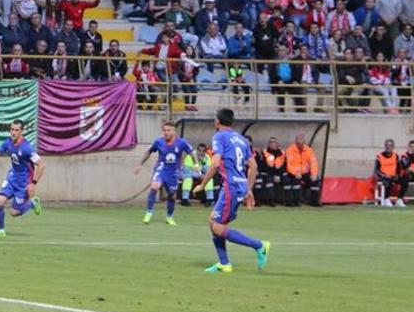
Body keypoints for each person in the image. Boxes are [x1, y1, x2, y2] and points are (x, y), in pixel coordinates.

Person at [191, 108, 269, 273]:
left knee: (217, 227)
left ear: (217, 121)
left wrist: (202, 184)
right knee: (213, 221)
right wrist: (249, 189)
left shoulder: (219, 137)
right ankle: (224, 263)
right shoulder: (241, 140)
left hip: (230, 188)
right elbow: (253, 166)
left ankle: (259, 245)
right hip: (239, 186)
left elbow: (215, 164)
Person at [0, 120, 44, 237]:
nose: (13, 132)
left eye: (16, 130)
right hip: (12, 178)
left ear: (21, 131)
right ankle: (1, 230)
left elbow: (41, 164)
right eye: (12, 129)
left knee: (14, 213)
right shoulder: (7, 143)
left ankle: (32, 203)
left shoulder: (26, 148)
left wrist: (33, 183)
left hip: (23, 183)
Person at [133, 121, 195, 224]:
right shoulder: (159, 142)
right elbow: (149, 152)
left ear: (174, 131)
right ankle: (148, 213)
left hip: (173, 173)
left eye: (168, 130)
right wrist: (140, 164)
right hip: (161, 169)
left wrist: (196, 164)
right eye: (164, 130)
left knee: (172, 196)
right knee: (154, 186)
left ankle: (169, 217)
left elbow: (192, 153)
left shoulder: (182, 142)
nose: (166, 132)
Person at [283, 133, 320, 207]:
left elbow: (313, 162)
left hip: (305, 173)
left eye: (301, 141)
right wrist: (295, 173)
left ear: (304, 141)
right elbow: (289, 165)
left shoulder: (308, 150)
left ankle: (314, 202)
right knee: (292, 181)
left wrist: (314, 174)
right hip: (293, 173)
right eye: (298, 141)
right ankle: (295, 202)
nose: (299, 143)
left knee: (316, 180)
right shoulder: (290, 150)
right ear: (295, 141)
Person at [373, 138, 403, 206]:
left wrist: (397, 175)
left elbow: (399, 168)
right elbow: (376, 170)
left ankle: (399, 199)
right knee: (389, 181)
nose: (388, 147)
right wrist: (383, 175)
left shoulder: (396, 156)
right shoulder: (379, 156)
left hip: (393, 175)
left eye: (390, 145)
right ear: (385, 146)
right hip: (383, 176)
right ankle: (386, 199)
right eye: (387, 145)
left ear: (393, 147)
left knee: (404, 181)